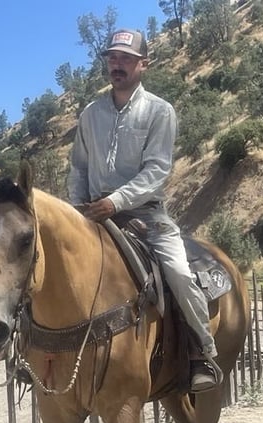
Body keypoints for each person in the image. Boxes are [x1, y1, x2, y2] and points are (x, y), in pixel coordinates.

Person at [66, 28, 221, 393]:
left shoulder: (159, 111)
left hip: (145, 215)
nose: (117, 65)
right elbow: (78, 168)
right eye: (112, 58)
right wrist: (75, 210)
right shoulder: (90, 114)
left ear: (143, 64)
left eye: (126, 59)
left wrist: (115, 201)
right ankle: (35, 352)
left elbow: (156, 171)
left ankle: (201, 351)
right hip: (92, 214)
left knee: (178, 273)